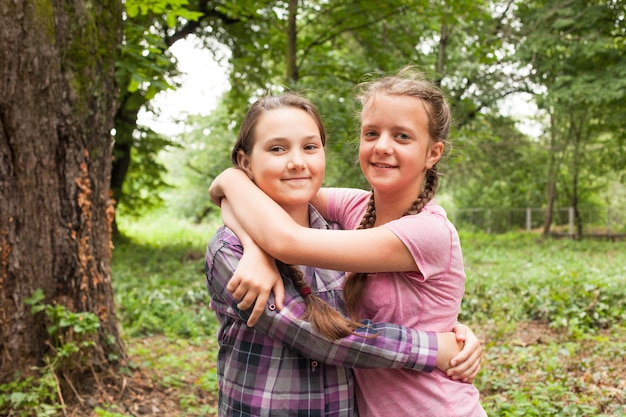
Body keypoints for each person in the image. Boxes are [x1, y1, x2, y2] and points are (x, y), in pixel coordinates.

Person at [209, 67, 486, 416]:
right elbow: (273, 199)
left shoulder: (429, 231)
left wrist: (230, 181)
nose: (383, 146)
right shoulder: (353, 209)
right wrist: (249, 238)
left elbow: (283, 236)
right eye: (372, 133)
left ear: (433, 153)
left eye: (402, 136)